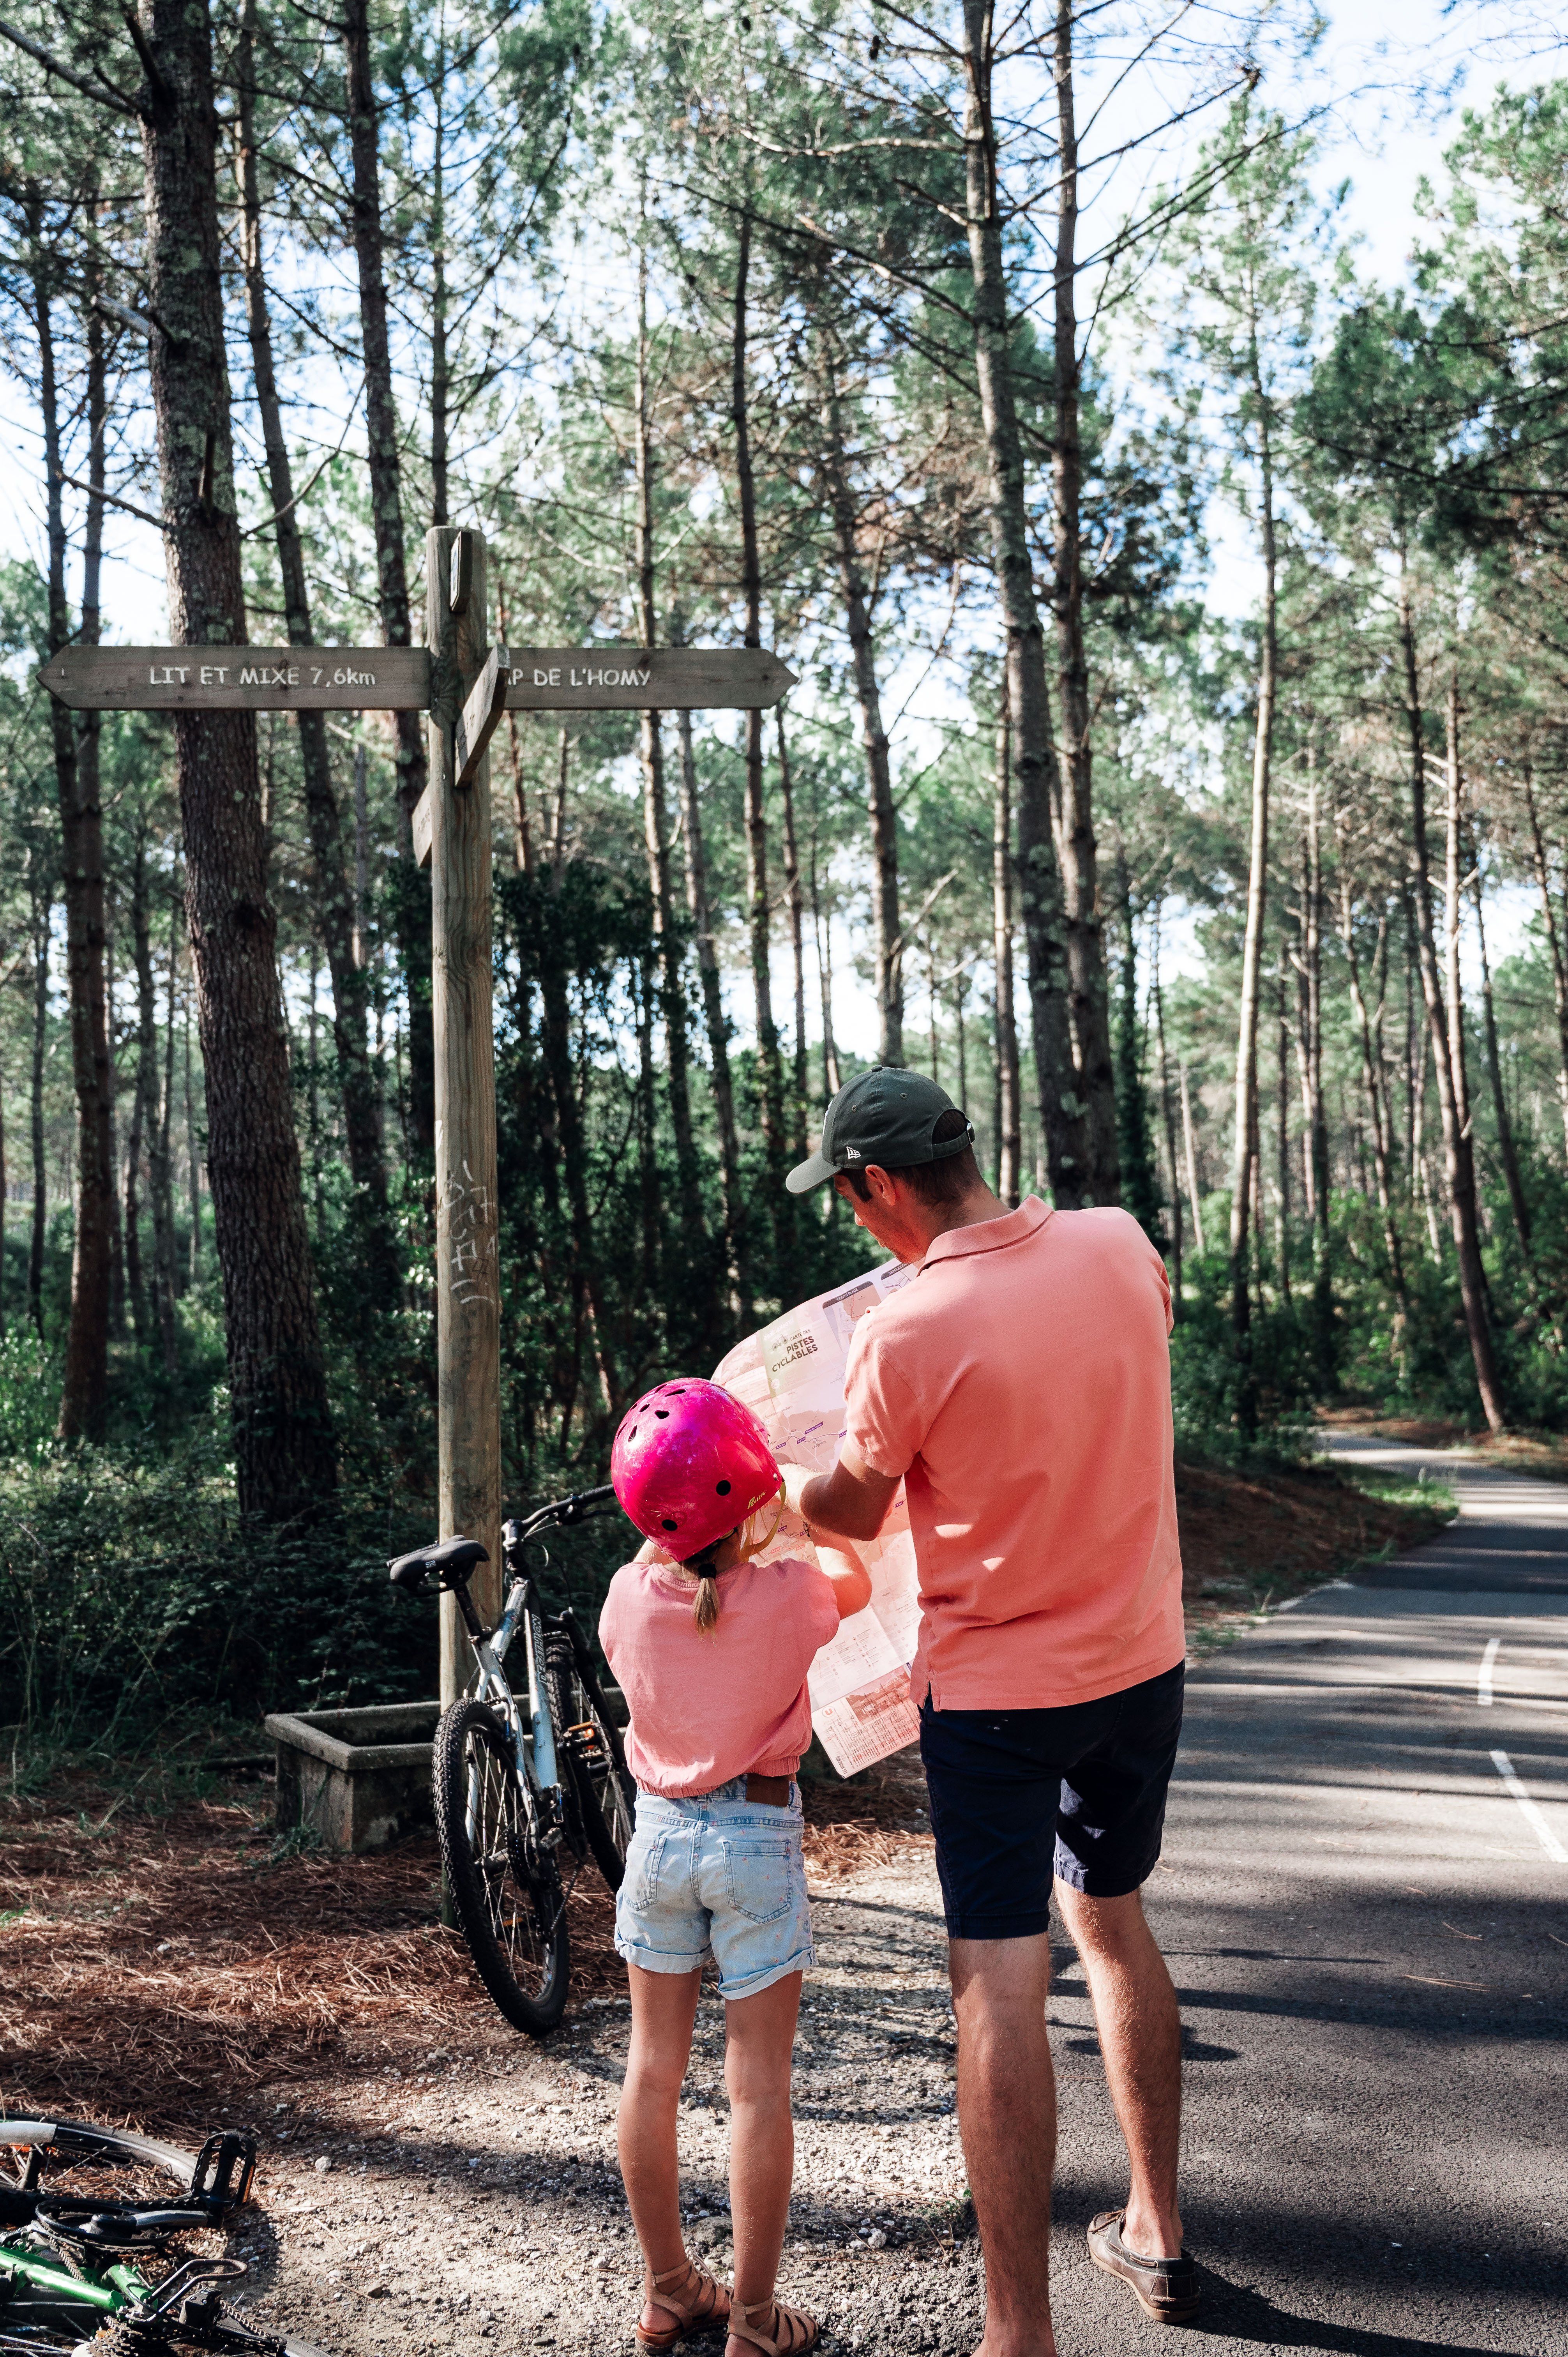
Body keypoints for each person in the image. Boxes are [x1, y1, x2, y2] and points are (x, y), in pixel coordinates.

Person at [783, 1067, 1196, 2356]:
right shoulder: (1120, 1239)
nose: (852, 1215)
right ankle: (1159, 2231)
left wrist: (778, 1472)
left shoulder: (903, 1331)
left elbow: (851, 1507)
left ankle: (1017, 2333)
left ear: (880, 1184)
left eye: (847, 1193)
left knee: (997, 1989)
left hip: (998, 1704)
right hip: (1141, 1666)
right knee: (1116, 1924)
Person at [601, 1377, 872, 2357]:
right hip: (754, 1839)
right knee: (755, 2086)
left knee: (652, 2072)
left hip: (659, 1839)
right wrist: (803, 1502)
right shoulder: (789, 1593)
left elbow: (665, 1619)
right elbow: (858, 1584)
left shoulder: (626, 1596)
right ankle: (754, 2324)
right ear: (748, 1494)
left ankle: (669, 2289)